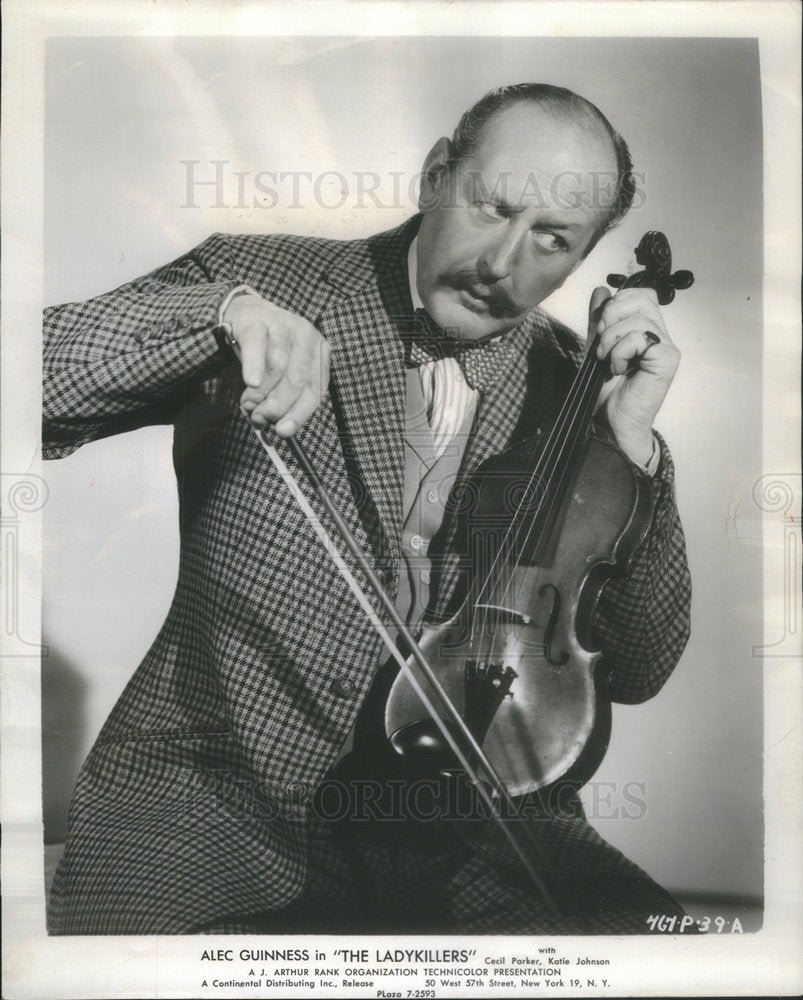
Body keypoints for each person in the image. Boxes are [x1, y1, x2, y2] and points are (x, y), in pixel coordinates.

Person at [44, 83, 691, 935]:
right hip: (209, 796)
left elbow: (641, 668)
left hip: (471, 824)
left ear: (579, 263)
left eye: (551, 239)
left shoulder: (582, 393)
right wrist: (217, 316)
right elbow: (38, 377)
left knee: (661, 952)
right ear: (433, 174)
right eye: (491, 206)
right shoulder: (260, 286)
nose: (501, 262)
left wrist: (633, 448)